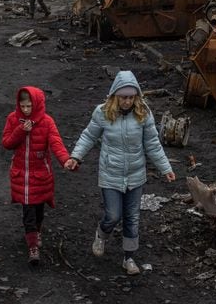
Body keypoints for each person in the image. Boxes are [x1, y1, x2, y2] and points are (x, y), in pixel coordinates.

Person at [64, 71, 175, 276]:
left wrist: (165, 168)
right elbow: (89, 136)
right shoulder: (103, 113)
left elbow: (152, 144)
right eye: (123, 97)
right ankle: (102, 233)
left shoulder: (143, 113)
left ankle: (129, 258)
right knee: (113, 215)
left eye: (131, 97)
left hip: (135, 174)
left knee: (132, 217)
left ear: (136, 97)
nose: (127, 101)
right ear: (115, 95)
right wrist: (75, 157)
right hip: (110, 174)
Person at [1, 86, 71, 265]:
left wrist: (66, 161)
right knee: (28, 212)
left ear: (37, 105)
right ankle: (33, 247)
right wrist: (21, 130)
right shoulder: (13, 119)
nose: (25, 110)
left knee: (39, 210)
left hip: (40, 176)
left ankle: (36, 232)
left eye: (29, 106)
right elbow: (7, 143)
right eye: (23, 106)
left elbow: (56, 143)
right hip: (21, 176)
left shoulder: (47, 122)